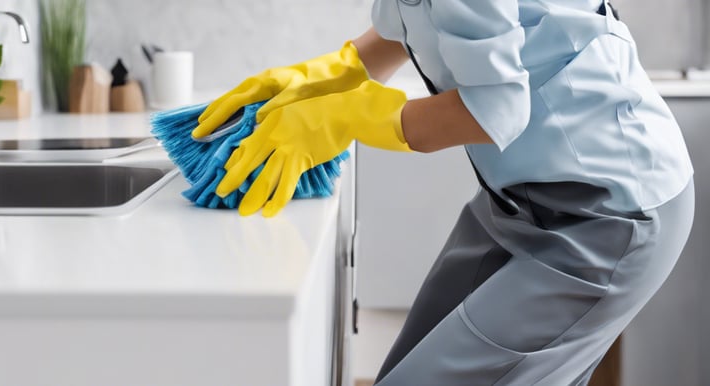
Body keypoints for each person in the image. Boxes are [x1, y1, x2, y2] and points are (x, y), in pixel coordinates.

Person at [193, 0, 695, 384]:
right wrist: (325, 75)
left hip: (610, 212)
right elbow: (407, 23)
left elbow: (494, 109)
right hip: (515, 202)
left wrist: (351, 115)